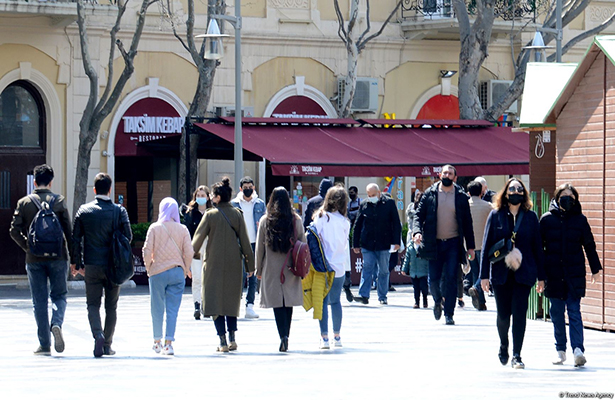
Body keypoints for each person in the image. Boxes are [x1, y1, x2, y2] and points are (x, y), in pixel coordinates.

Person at [480, 178, 545, 369]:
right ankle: (503, 344)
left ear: (523, 193)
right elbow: (485, 247)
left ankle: (517, 354)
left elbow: (538, 249)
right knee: (503, 314)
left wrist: (541, 277)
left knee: (519, 313)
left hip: (524, 273)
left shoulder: (531, 217)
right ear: (505, 193)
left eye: (519, 189)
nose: (515, 191)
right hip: (501, 273)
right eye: (511, 189)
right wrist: (483, 275)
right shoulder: (496, 215)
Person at [9, 164, 73, 356]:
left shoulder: (24, 202)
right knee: (59, 296)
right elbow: (69, 233)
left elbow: (14, 230)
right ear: (51, 182)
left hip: (34, 259)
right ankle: (57, 323)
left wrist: (28, 246)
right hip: (58, 256)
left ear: (35, 181)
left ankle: (44, 344)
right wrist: (76, 260)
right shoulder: (59, 201)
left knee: (39, 301)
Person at [540, 183, 602, 367]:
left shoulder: (580, 220)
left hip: (574, 273)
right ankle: (560, 350)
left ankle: (578, 350)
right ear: (557, 197)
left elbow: (589, 245)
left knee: (574, 311)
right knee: (557, 313)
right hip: (553, 273)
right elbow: (539, 249)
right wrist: (540, 276)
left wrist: (595, 269)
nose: (567, 199)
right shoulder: (546, 220)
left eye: (571, 196)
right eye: (564, 195)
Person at [71, 172, 132, 357]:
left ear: (94, 189)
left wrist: (77, 263)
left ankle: (97, 334)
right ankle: (106, 344)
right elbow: (128, 237)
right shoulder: (119, 211)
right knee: (111, 306)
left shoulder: (84, 211)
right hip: (114, 266)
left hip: (92, 265)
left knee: (92, 304)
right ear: (110, 189)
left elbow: (75, 239)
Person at [192, 177, 255, 352]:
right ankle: (233, 338)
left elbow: (196, 242)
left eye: (213, 195)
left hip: (213, 264)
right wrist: (251, 267)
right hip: (235, 264)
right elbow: (245, 242)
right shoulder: (237, 214)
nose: (211, 197)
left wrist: (189, 258)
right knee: (231, 301)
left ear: (218, 197)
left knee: (214, 301)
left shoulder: (210, 215)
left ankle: (222, 341)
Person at [413, 164, 475, 326]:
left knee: (451, 278)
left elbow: (468, 223)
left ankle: (449, 313)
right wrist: (417, 232)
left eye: (450, 174)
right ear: (440, 175)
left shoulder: (461, 196)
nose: (446, 175)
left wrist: (470, 247)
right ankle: (437, 300)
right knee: (433, 279)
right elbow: (418, 215)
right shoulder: (430, 194)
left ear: (455, 177)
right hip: (434, 243)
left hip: (453, 243)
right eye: (444, 173)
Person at [255, 187, 306, 352]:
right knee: (288, 302)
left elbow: (259, 248)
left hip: (271, 267)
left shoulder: (265, 220)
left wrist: (258, 269)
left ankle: (281, 335)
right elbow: (303, 243)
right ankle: (287, 335)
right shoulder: (295, 220)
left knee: (277, 303)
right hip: (290, 265)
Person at [143, 198, 194, 356]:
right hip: (177, 272)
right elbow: (189, 252)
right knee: (173, 310)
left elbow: (146, 250)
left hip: (157, 272)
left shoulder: (154, 228)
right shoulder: (183, 229)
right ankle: (169, 344)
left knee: (156, 308)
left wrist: (149, 267)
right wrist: (185, 268)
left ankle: (157, 341)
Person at [311, 185, 351, 349]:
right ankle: (337, 336)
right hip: (339, 266)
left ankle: (324, 337)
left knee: (322, 302)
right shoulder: (345, 222)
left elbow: (314, 239)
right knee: (336, 302)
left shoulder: (320, 217)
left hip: (323, 266)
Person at [352, 183, 401, 305]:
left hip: (384, 243)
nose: (371, 197)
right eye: (369, 195)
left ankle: (382, 296)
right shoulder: (364, 204)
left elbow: (396, 223)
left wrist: (396, 242)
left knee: (383, 270)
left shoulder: (389, 203)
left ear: (379, 192)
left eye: (373, 195)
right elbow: (357, 225)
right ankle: (363, 295)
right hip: (368, 243)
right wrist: (355, 244)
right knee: (367, 267)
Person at [231, 176, 266, 319]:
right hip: (238, 242)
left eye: (250, 187)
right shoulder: (234, 204)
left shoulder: (259, 204)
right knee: (238, 274)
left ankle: (250, 305)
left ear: (254, 188)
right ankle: (235, 304)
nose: (248, 190)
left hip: (254, 242)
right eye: (245, 188)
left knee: (252, 274)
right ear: (240, 189)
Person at [183, 185, 213, 320]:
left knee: (208, 278)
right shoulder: (190, 213)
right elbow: (187, 234)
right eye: (198, 196)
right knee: (196, 278)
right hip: (195, 249)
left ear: (208, 197)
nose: (200, 198)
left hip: (210, 248)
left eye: (203, 195)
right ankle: (197, 304)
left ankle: (206, 304)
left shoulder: (212, 213)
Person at [467, 180, 493, 311]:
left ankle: (481, 302)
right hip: (484, 245)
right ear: (482, 192)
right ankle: (477, 287)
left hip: (470, 245)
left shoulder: (465, 205)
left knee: (475, 271)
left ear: (469, 192)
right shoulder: (488, 206)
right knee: (485, 272)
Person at [343, 186, 361, 302]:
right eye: (349, 193)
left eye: (353, 192)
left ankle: (346, 286)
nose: (351, 194)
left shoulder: (360, 202)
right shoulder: (348, 205)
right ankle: (345, 287)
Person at [401, 240, 429, 309]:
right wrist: (404, 269)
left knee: (424, 287)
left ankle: (425, 299)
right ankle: (417, 302)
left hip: (423, 271)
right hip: (413, 272)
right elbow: (407, 259)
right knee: (416, 288)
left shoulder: (424, 246)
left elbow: (428, 259)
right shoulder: (410, 247)